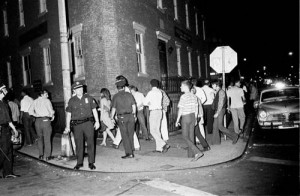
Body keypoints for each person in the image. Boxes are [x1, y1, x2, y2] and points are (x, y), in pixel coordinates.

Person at [64, 81, 100, 170]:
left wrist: (97, 121)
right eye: (77, 89)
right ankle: (79, 162)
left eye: (80, 88)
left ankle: (91, 162)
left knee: (91, 143)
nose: (79, 90)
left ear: (83, 89)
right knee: (79, 144)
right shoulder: (71, 101)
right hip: (77, 125)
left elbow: (94, 110)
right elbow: (68, 114)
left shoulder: (89, 98)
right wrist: (67, 126)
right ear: (74, 91)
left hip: (88, 123)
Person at [175, 80, 204, 161]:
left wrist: (177, 120)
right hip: (192, 116)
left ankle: (197, 152)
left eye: (181, 86)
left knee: (185, 136)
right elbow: (196, 108)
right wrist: (195, 119)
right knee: (191, 137)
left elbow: (181, 109)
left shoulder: (183, 96)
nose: (180, 87)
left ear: (185, 87)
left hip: (186, 117)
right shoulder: (194, 96)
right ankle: (191, 155)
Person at [111, 75, 140, 150]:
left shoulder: (125, 90)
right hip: (128, 114)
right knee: (125, 130)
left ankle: (135, 146)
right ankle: (116, 143)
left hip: (125, 113)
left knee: (127, 131)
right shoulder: (126, 89)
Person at [144, 79, 170, 153]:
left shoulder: (150, 92)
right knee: (157, 130)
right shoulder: (160, 92)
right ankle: (159, 148)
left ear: (151, 85)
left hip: (154, 112)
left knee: (152, 130)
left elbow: (145, 103)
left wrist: (149, 103)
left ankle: (163, 144)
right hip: (160, 111)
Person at [28, 90, 55, 161]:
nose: (47, 96)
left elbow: (30, 111)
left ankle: (40, 155)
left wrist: (36, 115)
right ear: (42, 94)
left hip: (37, 121)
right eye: (46, 94)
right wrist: (52, 115)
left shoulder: (35, 101)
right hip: (45, 120)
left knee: (40, 138)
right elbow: (51, 111)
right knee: (47, 139)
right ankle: (48, 156)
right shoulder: (47, 101)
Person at [0, 83, 19, 178]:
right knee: (3, 150)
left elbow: (8, 119)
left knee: (9, 151)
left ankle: (8, 172)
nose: (6, 90)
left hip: (6, 128)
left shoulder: (4, 103)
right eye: (4, 89)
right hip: (1, 129)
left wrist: (14, 129)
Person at [211, 80, 239, 145]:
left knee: (220, 126)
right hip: (218, 110)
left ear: (216, 85)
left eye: (213, 84)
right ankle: (215, 142)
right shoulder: (218, 91)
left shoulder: (221, 92)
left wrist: (217, 112)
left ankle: (234, 136)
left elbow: (220, 103)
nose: (212, 86)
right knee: (215, 126)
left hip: (220, 110)